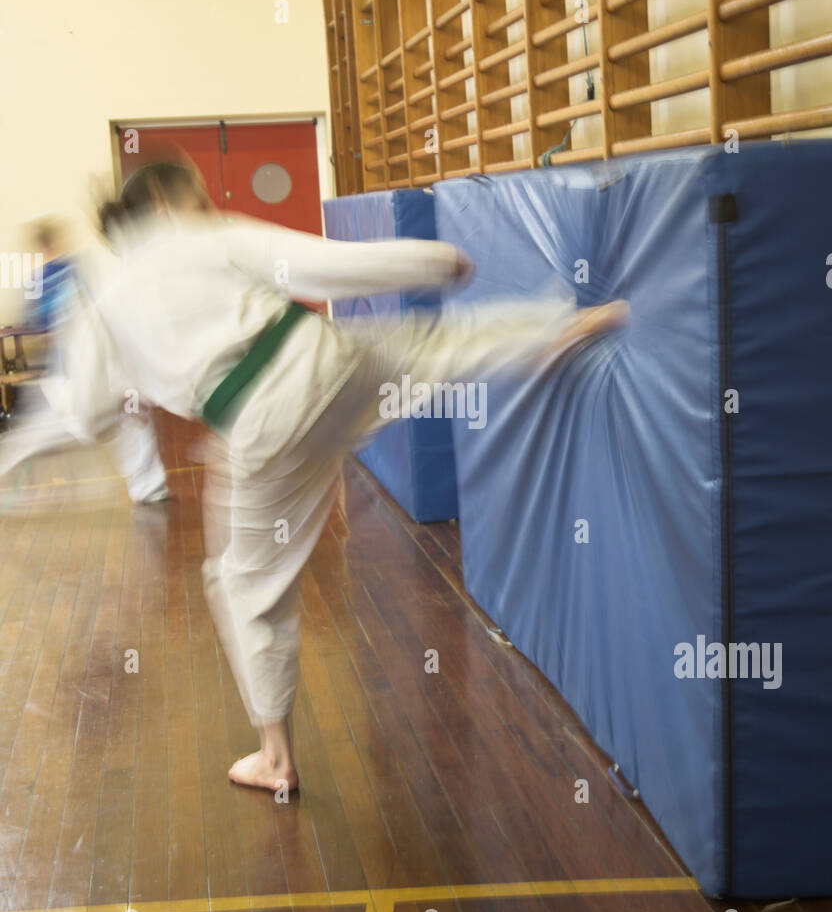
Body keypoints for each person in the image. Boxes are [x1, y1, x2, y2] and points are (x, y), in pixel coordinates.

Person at [2, 161, 628, 794]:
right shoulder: (204, 235)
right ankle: (557, 327)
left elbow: (84, 414)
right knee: (422, 346)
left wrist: (134, 379)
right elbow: (320, 262)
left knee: (244, 584)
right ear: (164, 201)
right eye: (192, 192)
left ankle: (275, 758)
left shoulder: (104, 302)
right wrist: (431, 259)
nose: (201, 201)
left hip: (261, 424)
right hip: (322, 361)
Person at [0, 214, 170, 505]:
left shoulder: (50, 277)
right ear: (53, 241)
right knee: (63, 426)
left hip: (77, 368)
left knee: (123, 418)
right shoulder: (72, 272)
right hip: (76, 370)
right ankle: (148, 485)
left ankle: (149, 486)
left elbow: (40, 327)